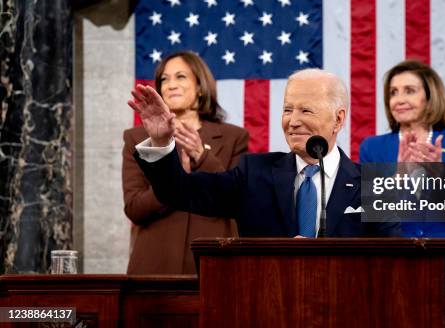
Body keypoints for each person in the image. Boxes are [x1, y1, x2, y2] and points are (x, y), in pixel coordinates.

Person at [128, 69, 401, 238]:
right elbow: (177, 191)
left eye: (305, 111)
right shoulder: (253, 174)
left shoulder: (374, 186)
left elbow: (395, 259)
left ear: (338, 120)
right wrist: (162, 141)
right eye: (287, 110)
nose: (292, 121)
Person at [123, 51, 248, 274]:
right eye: (164, 79)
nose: (171, 85)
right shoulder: (137, 138)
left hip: (215, 266)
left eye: (180, 77)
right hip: (155, 268)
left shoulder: (234, 138)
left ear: (200, 86)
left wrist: (202, 156)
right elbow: (134, 209)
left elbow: (237, 200)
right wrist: (172, 180)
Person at [359, 60, 445, 273]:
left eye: (409, 91)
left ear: (430, 96)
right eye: (393, 93)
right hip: (394, 261)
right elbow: (369, 215)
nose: (399, 100)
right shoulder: (373, 148)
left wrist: (439, 179)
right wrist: (398, 178)